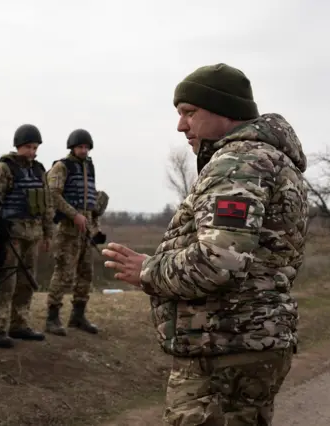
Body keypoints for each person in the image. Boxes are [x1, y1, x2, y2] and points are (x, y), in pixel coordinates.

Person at [102, 63, 308, 425]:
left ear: (224, 110)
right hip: (252, 341)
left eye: (189, 113)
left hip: (224, 344)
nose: (182, 125)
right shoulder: (272, 161)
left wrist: (148, 270)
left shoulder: (237, 164)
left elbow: (219, 260)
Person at [0, 124, 52, 348]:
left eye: (35, 148)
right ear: (18, 146)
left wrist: (47, 233)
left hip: (32, 235)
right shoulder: (3, 169)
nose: (32, 152)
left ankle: (19, 323)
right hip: (10, 235)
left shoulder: (39, 170)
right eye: (28, 147)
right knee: (6, 282)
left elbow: (46, 205)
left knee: (26, 283)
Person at [45, 129, 103, 336]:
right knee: (64, 273)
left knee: (86, 273)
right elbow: (53, 195)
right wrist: (74, 215)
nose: (84, 150)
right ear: (72, 147)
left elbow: (91, 199)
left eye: (86, 147)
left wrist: (94, 224)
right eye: (80, 147)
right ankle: (52, 318)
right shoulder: (62, 167)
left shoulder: (89, 167)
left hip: (85, 231)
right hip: (67, 229)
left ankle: (78, 316)